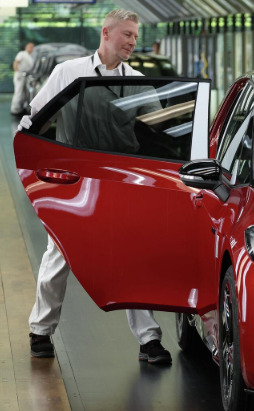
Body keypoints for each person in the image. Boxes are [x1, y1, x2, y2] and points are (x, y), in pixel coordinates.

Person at [19, 9, 172, 365]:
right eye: (127, 35)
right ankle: (40, 330)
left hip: (122, 182)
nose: (133, 42)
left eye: (135, 36)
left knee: (133, 257)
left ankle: (149, 339)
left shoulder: (138, 81)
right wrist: (27, 156)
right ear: (106, 32)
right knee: (60, 254)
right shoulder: (68, 73)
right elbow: (36, 118)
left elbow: (158, 130)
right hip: (74, 181)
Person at [11, 42, 34, 116]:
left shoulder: (30, 56)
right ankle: (15, 110)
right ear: (26, 47)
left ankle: (21, 109)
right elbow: (16, 63)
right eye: (30, 47)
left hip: (26, 76)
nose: (31, 48)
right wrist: (18, 72)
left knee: (24, 94)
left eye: (32, 47)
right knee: (19, 92)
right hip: (20, 75)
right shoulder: (22, 54)